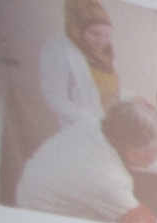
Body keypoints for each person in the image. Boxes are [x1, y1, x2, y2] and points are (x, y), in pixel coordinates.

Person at [16, 97, 157, 223]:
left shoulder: (102, 125)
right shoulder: (108, 181)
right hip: (44, 220)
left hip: (38, 184)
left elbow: (137, 158)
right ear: (133, 153)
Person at [39, 0, 117, 132]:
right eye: (95, 34)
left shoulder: (105, 53)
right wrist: (92, 121)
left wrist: (132, 98)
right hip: (80, 130)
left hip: (108, 128)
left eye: (107, 35)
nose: (102, 41)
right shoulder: (57, 49)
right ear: (77, 28)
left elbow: (108, 88)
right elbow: (54, 97)